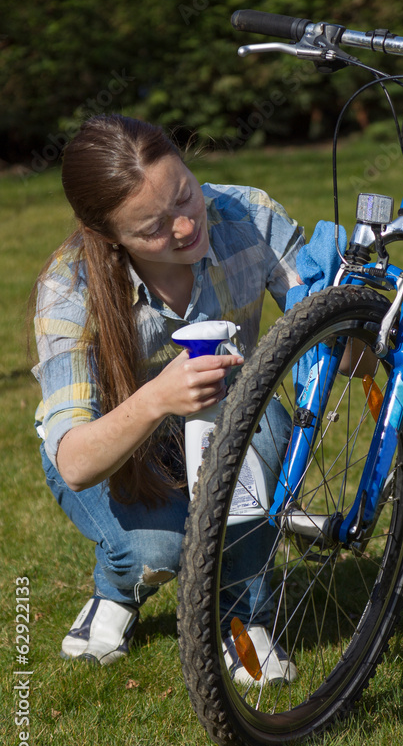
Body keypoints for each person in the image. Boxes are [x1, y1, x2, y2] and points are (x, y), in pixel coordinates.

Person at [31, 114, 304, 677]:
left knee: (267, 423)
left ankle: (241, 613)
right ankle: (119, 583)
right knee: (159, 550)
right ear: (109, 236)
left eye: (185, 196)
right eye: (153, 228)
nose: (184, 227)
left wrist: (343, 296)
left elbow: (336, 341)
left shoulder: (248, 217)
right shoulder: (70, 286)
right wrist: (157, 396)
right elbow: (77, 461)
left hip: (228, 422)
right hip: (114, 447)